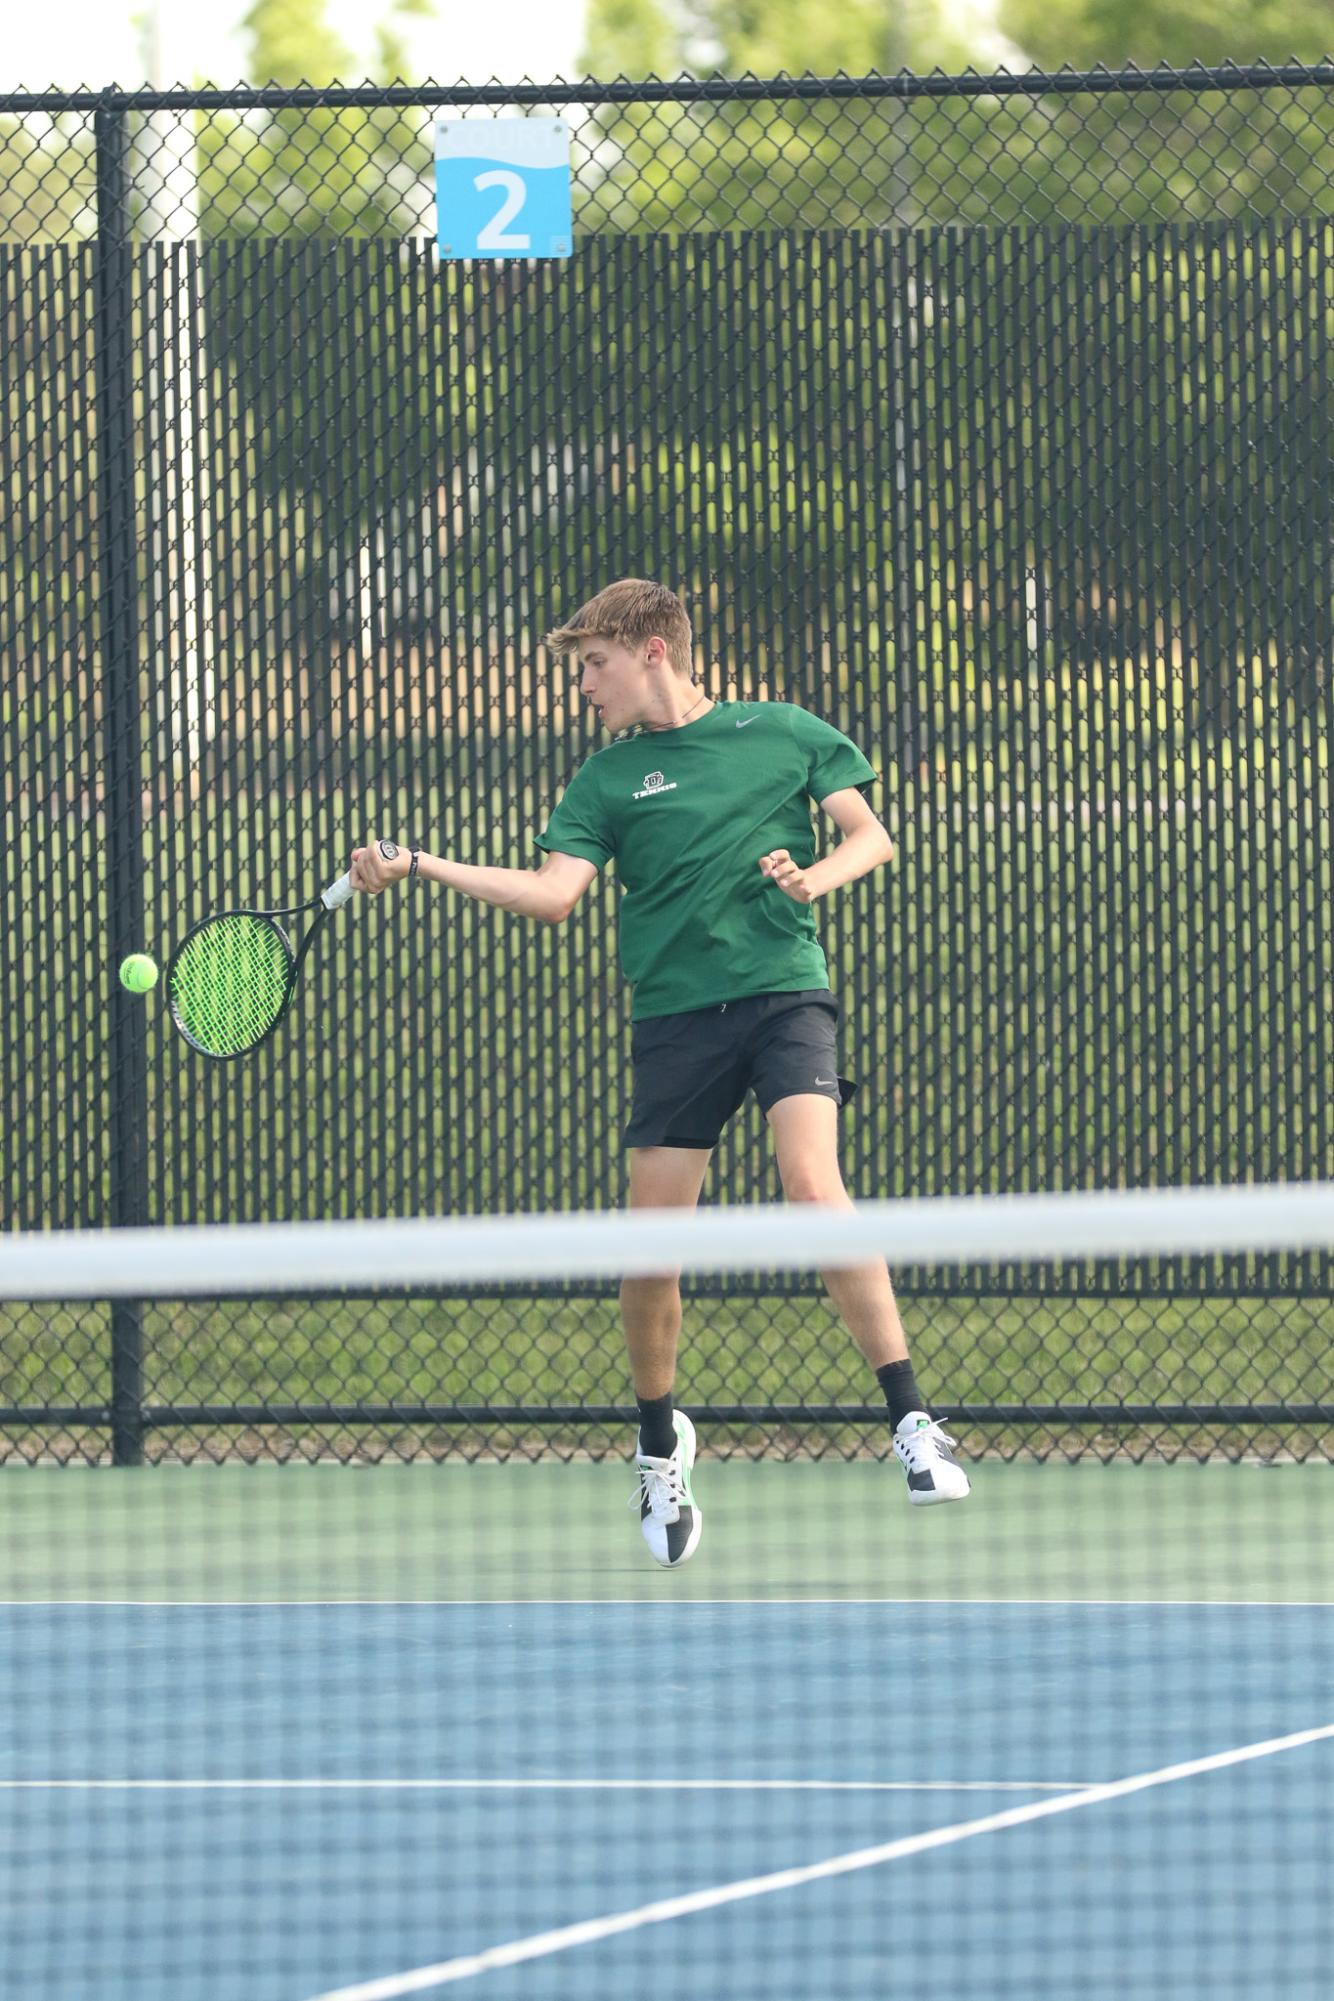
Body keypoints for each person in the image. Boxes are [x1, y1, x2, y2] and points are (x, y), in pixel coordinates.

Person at [349, 578, 969, 1567]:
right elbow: (555, 896)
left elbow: (869, 835)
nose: (582, 686)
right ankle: (656, 1444)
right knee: (649, 1258)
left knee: (812, 1185)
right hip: (676, 1021)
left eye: (591, 664)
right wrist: (422, 861)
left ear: (650, 650)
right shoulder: (602, 781)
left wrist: (816, 877)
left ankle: (911, 1423)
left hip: (780, 993)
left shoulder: (783, 731)